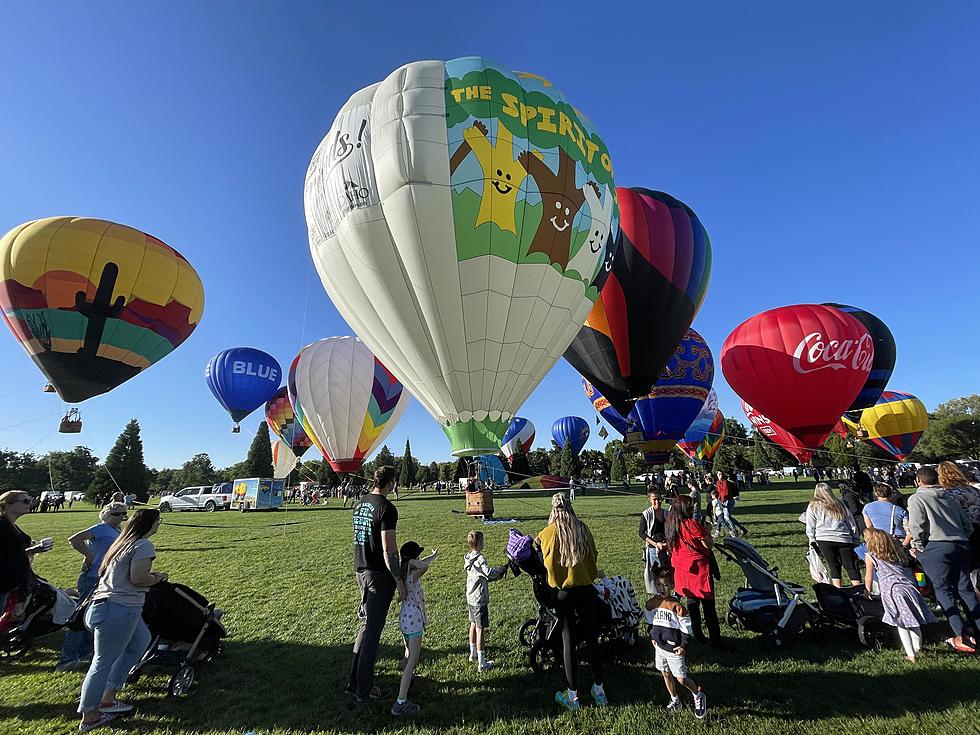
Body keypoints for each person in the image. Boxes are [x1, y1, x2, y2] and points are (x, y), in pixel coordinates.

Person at [78, 509, 164, 732]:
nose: (159, 525)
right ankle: (90, 715)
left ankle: (109, 696)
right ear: (149, 524)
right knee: (102, 662)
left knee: (140, 642)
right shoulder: (142, 545)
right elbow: (138, 578)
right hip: (118, 610)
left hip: (106, 607)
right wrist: (158, 578)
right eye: (158, 521)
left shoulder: (122, 542)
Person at [537, 492, 606, 711]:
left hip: (563, 592)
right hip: (585, 590)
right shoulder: (583, 528)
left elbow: (545, 562)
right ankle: (599, 689)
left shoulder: (548, 533)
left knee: (568, 640)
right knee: (592, 638)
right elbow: (593, 556)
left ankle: (573, 696)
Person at [348, 466, 406, 703]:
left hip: (360, 570)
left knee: (366, 627)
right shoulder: (386, 508)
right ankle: (364, 689)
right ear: (391, 482)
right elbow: (389, 550)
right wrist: (399, 579)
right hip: (378, 577)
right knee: (373, 632)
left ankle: (354, 681)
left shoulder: (360, 503)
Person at [907, 466, 980, 652]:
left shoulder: (917, 498)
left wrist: (919, 546)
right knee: (966, 589)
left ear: (918, 480)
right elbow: (966, 524)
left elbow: (917, 525)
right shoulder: (948, 496)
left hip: (936, 545)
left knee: (943, 590)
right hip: (961, 543)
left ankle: (961, 634)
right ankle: (977, 627)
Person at [57, 503, 128, 672]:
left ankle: (85, 653)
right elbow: (74, 539)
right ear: (105, 514)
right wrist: (89, 555)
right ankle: (67, 659)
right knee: (81, 619)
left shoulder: (116, 530)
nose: (120, 517)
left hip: (106, 578)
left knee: (95, 618)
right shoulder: (101, 528)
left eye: (123, 514)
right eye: (116, 514)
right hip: (92, 578)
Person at [863, 528, 936, 662]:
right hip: (910, 588)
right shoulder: (897, 553)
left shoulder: (870, 556)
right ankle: (918, 647)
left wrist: (867, 590)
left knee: (901, 623)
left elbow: (868, 576)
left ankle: (911, 655)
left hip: (892, 591)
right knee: (914, 621)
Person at [644, 568, 707, 719]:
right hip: (659, 647)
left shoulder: (677, 607)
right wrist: (652, 635)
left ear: (672, 585)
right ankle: (675, 700)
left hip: (674, 649)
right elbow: (650, 621)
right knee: (665, 673)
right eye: (659, 585)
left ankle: (698, 695)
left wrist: (684, 645)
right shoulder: (652, 603)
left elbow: (686, 627)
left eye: (665, 585)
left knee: (681, 678)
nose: (661, 588)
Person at [667, 495, 721, 645]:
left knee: (692, 603)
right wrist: (707, 530)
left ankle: (698, 634)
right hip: (699, 570)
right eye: (690, 506)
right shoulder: (691, 524)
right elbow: (708, 545)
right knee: (709, 607)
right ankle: (716, 641)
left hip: (683, 569)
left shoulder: (671, 524)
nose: (693, 508)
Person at [393, 541, 437, 716]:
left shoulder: (404, 573)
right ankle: (400, 702)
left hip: (404, 620)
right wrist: (414, 561)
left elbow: (424, 562)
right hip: (414, 623)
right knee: (413, 660)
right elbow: (424, 566)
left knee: (407, 654)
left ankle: (406, 680)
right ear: (412, 559)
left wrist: (433, 556)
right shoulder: (413, 574)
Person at [0, 491, 53, 620]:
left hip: (12, 579)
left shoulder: (12, 525)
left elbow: (12, 552)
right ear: (7, 505)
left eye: (29, 500)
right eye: (25, 501)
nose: (30, 503)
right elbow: (6, 555)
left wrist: (34, 550)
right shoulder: (2, 526)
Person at [464, 530, 507, 671]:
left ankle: (473, 654)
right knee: (480, 629)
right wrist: (502, 569)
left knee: (472, 624)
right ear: (480, 544)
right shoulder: (480, 559)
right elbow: (488, 573)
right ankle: (482, 663)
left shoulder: (468, 557)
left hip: (470, 597)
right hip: (479, 599)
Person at [804, 483, 861, 588]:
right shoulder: (839, 504)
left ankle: (838, 588)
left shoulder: (813, 505)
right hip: (844, 538)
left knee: (833, 566)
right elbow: (851, 522)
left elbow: (810, 524)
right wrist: (855, 537)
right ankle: (858, 588)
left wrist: (812, 539)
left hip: (824, 538)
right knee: (850, 566)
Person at [936, 461, 980, 581]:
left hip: (964, 531)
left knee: (968, 568)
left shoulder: (947, 494)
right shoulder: (972, 490)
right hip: (977, 526)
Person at [639, 490, 669, 593]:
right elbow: (642, 533)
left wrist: (667, 543)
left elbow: (671, 531)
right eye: (654, 499)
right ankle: (657, 597)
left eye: (659, 499)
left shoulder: (666, 513)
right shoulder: (646, 514)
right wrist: (656, 544)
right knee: (656, 575)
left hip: (666, 548)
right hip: (653, 549)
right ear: (650, 500)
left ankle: (666, 595)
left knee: (666, 574)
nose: (657, 502)